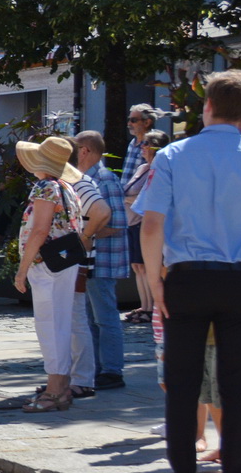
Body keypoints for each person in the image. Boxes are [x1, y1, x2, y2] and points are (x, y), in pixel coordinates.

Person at [139, 69, 241, 473]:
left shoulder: (173, 155)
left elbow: (152, 224)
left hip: (187, 275)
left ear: (206, 105)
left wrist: (155, 279)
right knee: (238, 381)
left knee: (183, 381)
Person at [13, 136, 84, 413]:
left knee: (49, 324)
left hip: (45, 263)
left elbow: (39, 230)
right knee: (61, 322)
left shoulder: (45, 187)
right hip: (64, 262)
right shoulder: (66, 187)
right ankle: (61, 385)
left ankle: (55, 389)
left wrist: (22, 270)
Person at [69, 131, 127, 391]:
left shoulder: (104, 179)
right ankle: (95, 370)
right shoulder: (86, 179)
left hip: (103, 260)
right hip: (89, 260)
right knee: (90, 319)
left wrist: (84, 234)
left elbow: (118, 223)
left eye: (74, 150)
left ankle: (112, 371)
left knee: (105, 317)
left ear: (85, 151)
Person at [123, 127, 167, 323]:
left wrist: (129, 200)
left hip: (144, 222)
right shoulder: (142, 168)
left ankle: (152, 308)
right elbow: (129, 193)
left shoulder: (160, 170)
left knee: (149, 266)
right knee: (137, 267)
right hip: (132, 222)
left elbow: (146, 200)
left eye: (146, 144)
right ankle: (145, 305)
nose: (141, 147)